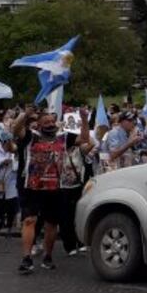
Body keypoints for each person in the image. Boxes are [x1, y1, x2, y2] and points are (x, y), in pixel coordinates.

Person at [12, 108, 90, 274]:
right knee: (29, 220)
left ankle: (48, 256)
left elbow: (84, 139)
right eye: (46, 122)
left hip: (55, 186)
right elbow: (16, 129)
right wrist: (25, 115)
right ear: (39, 124)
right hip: (32, 186)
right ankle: (26, 258)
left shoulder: (64, 137)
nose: (50, 124)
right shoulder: (31, 136)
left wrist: (84, 119)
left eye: (52, 121)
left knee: (51, 223)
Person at [59, 108, 93, 257]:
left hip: (77, 186)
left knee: (78, 214)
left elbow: (87, 140)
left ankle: (81, 241)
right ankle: (69, 245)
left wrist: (84, 119)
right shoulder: (57, 151)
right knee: (66, 218)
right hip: (62, 188)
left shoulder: (78, 151)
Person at [0, 135, 18, 231]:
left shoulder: (14, 151)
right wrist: (0, 163)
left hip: (11, 181)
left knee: (11, 203)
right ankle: (0, 219)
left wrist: (12, 163)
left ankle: (9, 224)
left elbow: (18, 166)